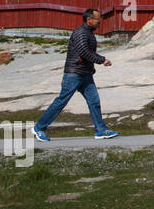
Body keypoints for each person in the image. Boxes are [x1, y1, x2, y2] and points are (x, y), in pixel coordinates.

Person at [32, 8, 120, 141]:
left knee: (94, 101)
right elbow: (84, 51)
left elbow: (85, 53)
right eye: (97, 19)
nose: (99, 21)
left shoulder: (88, 32)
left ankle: (101, 131)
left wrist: (92, 68)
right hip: (74, 74)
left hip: (85, 74)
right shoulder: (81, 33)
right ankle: (39, 128)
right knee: (61, 101)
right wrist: (101, 60)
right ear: (89, 19)